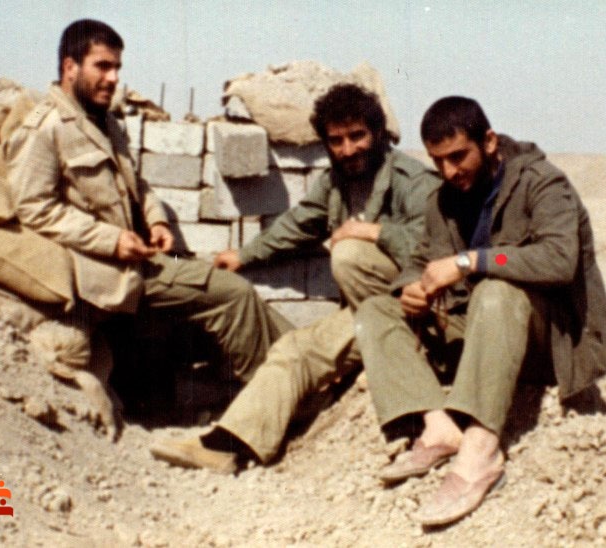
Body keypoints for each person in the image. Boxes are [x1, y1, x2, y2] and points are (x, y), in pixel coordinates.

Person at [5, 19, 291, 434]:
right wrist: (112, 241)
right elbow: (34, 208)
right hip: (106, 273)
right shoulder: (46, 128)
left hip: (135, 257)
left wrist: (155, 219)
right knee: (232, 293)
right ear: (69, 67)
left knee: (227, 300)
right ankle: (279, 402)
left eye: (117, 68)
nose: (113, 78)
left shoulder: (104, 121)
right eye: (102, 66)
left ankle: (305, 365)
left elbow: (135, 184)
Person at [149, 84, 440, 472]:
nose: (348, 149)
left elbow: (438, 247)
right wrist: (244, 255)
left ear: (377, 132)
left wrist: (373, 232)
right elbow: (300, 223)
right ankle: (227, 445)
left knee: (349, 252)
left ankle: (405, 357)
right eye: (336, 140)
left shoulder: (412, 180)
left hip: (416, 310)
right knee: (293, 349)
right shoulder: (337, 181)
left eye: (357, 136)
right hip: (372, 316)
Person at [354, 96, 606, 527]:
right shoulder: (445, 199)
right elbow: (421, 259)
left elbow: (557, 258)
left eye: (458, 156)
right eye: (438, 161)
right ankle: (439, 428)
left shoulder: (543, 184)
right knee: (375, 310)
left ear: (489, 142)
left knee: (496, 291)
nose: (449, 171)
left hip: (550, 343)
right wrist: (412, 288)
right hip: (483, 332)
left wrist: (470, 261)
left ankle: (481, 451)